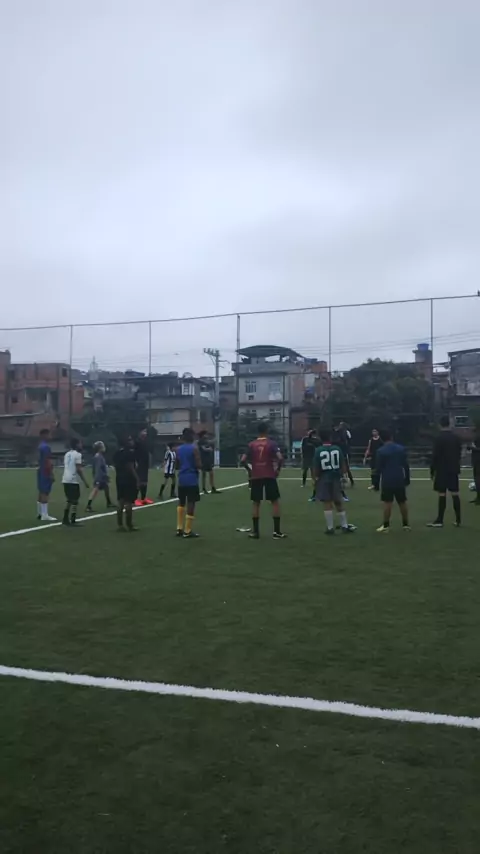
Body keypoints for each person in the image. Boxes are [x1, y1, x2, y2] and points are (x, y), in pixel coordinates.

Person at [241, 422, 286, 539]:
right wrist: (278, 469)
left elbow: (243, 460)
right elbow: (280, 458)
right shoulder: (272, 443)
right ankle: (276, 532)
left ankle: (256, 532)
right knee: (274, 501)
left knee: (256, 502)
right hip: (269, 475)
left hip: (256, 476)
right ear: (267, 430)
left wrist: (249, 470)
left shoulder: (251, 444)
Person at [313, 429, 355, 535]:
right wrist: (343, 476)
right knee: (338, 501)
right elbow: (343, 465)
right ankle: (344, 525)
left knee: (327, 502)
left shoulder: (318, 450)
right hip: (336, 477)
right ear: (330, 437)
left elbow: (316, 467)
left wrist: (316, 478)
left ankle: (330, 527)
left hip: (324, 477)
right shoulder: (337, 448)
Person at [428, 415, 462, 528]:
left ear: (440, 425)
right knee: (455, 493)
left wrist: (432, 470)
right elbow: (459, 453)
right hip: (453, 469)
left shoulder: (438, 438)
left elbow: (435, 456)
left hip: (442, 470)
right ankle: (458, 519)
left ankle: (440, 520)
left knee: (442, 494)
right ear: (449, 424)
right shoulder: (456, 438)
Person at [375, 430, 411, 532]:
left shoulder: (381, 451)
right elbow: (406, 465)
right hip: (399, 478)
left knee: (387, 503)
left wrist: (376, 483)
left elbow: (378, 469)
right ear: (391, 437)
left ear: (381, 439)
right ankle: (406, 524)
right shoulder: (401, 449)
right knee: (402, 502)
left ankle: (386, 525)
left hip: (387, 480)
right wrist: (407, 478)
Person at [176, 428, 202, 538]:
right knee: (191, 502)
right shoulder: (194, 449)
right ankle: (188, 530)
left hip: (181, 478)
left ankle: (179, 528)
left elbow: (177, 464)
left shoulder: (178, 449)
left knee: (181, 502)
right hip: (191, 478)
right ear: (191, 436)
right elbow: (198, 464)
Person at [114, 436, 140, 532]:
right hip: (129, 479)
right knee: (129, 502)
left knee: (120, 501)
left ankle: (120, 525)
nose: (132, 441)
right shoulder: (129, 453)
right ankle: (129, 525)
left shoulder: (117, 453)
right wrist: (137, 479)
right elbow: (131, 467)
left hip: (119, 478)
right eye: (130, 440)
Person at [61, 438, 89, 526]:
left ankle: (65, 518)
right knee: (74, 500)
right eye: (80, 443)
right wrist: (85, 481)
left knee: (69, 499)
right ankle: (72, 519)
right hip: (73, 480)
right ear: (76, 445)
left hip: (65, 478)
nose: (81, 445)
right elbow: (78, 469)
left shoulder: (67, 454)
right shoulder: (78, 455)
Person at [85, 441, 115, 512]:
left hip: (102, 477)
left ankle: (109, 502)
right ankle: (88, 506)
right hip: (100, 477)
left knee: (106, 488)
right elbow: (98, 468)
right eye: (103, 446)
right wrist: (98, 478)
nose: (104, 447)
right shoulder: (98, 457)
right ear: (99, 448)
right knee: (95, 490)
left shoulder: (99, 456)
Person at [37, 428, 56, 521]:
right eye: (48, 434)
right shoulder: (46, 447)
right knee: (45, 492)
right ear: (44, 435)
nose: (50, 436)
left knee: (41, 491)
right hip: (45, 471)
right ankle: (44, 515)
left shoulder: (40, 446)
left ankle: (40, 513)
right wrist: (51, 473)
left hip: (40, 470)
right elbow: (48, 461)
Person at [334, 421, 354, 487]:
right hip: (340, 451)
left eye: (341, 425)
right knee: (339, 467)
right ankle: (341, 481)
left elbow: (349, 441)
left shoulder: (346, 432)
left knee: (346, 467)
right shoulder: (337, 432)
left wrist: (347, 449)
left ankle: (351, 481)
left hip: (345, 452)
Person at [134, 429, 151, 505]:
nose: (145, 433)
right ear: (140, 433)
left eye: (146, 432)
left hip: (145, 464)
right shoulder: (136, 442)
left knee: (144, 481)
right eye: (144, 431)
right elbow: (134, 453)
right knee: (138, 481)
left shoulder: (145, 442)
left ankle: (143, 498)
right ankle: (134, 498)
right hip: (139, 464)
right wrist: (135, 462)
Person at [301, 429, 318, 495]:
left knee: (313, 471)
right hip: (306, 457)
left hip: (312, 457)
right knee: (305, 471)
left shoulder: (315, 440)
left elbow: (316, 446)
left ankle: (314, 482)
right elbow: (303, 447)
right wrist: (302, 455)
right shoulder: (305, 439)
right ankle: (303, 483)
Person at [470, 430, 480, 505]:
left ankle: (479, 499)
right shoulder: (475, 437)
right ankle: (478, 497)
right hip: (476, 461)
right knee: (476, 480)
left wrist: (473, 448)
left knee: (478, 480)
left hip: (478, 461)